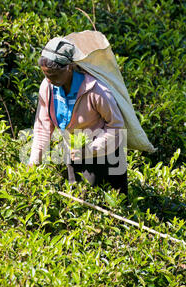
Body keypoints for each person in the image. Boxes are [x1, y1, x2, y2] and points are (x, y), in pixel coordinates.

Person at [28, 37, 128, 196]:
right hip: (75, 154)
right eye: (46, 75)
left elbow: (116, 128)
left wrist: (90, 150)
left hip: (106, 157)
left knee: (112, 207)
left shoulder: (96, 90)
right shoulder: (48, 87)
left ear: (69, 67)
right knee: (79, 203)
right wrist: (33, 163)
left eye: (53, 75)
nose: (49, 80)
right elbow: (42, 129)